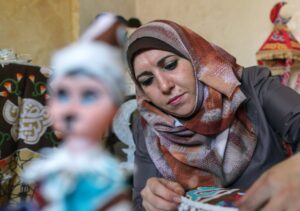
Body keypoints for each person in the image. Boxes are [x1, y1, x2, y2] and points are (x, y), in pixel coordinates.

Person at [125, 19, 300, 211]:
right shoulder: (148, 127)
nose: (165, 86)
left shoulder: (252, 85)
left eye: (170, 65)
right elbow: (140, 202)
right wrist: (150, 201)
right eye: (148, 80)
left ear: (196, 58)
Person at [22, 13, 132, 211]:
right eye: (62, 94)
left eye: (89, 95)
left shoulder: (105, 179)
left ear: (114, 110)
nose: (71, 108)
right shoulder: (52, 168)